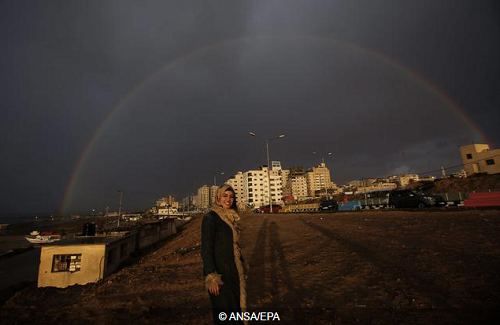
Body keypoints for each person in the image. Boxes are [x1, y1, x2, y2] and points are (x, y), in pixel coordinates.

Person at [201, 184, 246, 324]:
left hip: (233, 273)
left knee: (235, 312)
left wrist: (243, 265)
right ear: (218, 198)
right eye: (225, 196)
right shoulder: (210, 218)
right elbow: (206, 248)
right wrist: (211, 276)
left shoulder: (232, 218)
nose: (228, 199)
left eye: (231, 197)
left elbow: (235, 247)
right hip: (219, 275)